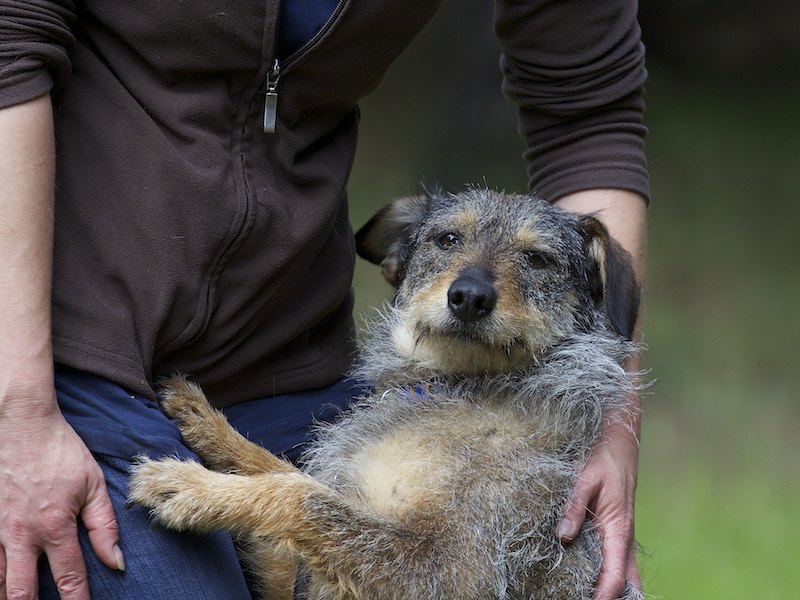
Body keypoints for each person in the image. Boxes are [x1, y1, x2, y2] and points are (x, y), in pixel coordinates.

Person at [0, 1, 648, 599]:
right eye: (447, 242)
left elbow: (590, 107)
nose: (475, 288)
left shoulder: (513, 446)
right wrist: (19, 407)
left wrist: (613, 430)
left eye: (535, 260)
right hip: (66, 341)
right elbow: (12, 36)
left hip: (288, 354)